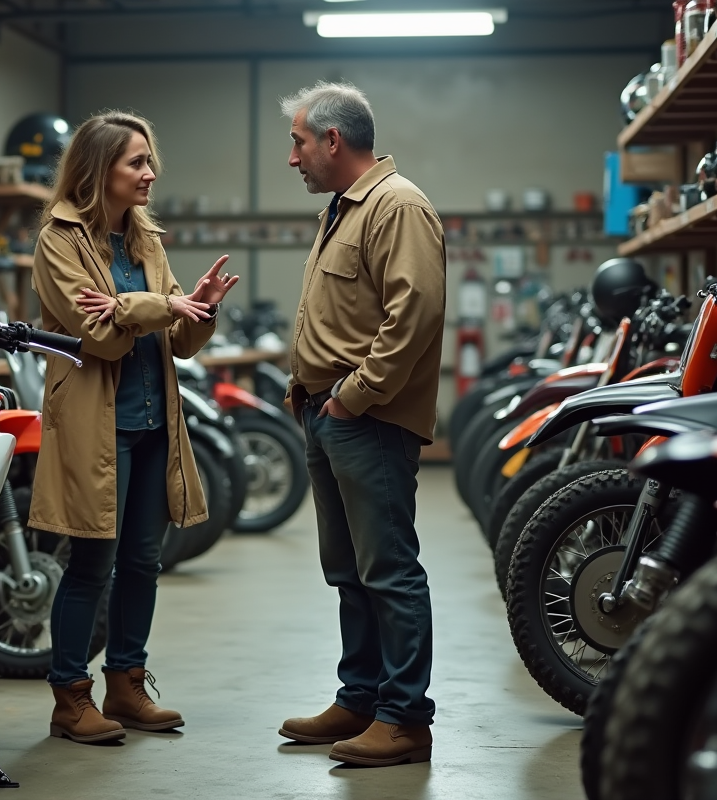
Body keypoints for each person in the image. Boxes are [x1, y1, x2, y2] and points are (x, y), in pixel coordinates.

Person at [28, 110, 239, 744]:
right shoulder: (59, 240)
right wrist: (154, 305)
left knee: (144, 561)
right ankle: (70, 696)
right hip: (98, 421)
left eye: (150, 162)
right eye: (136, 163)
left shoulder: (145, 238)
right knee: (92, 559)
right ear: (100, 171)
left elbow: (178, 341)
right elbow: (98, 336)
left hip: (152, 420)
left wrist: (194, 308)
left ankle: (125, 685)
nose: (150, 174)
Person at [275, 81, 447, 767]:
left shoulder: (397, 205)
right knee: (349, 570)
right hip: (328, 413)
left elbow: (415, 315)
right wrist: (307, 390)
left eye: (298, 142)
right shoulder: (344, 209)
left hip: (365, 419)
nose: (294, 158)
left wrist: (356, 394)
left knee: (388, 570)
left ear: (332, 141)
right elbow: (340, 314)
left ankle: (404, 718)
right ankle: (360, 699)